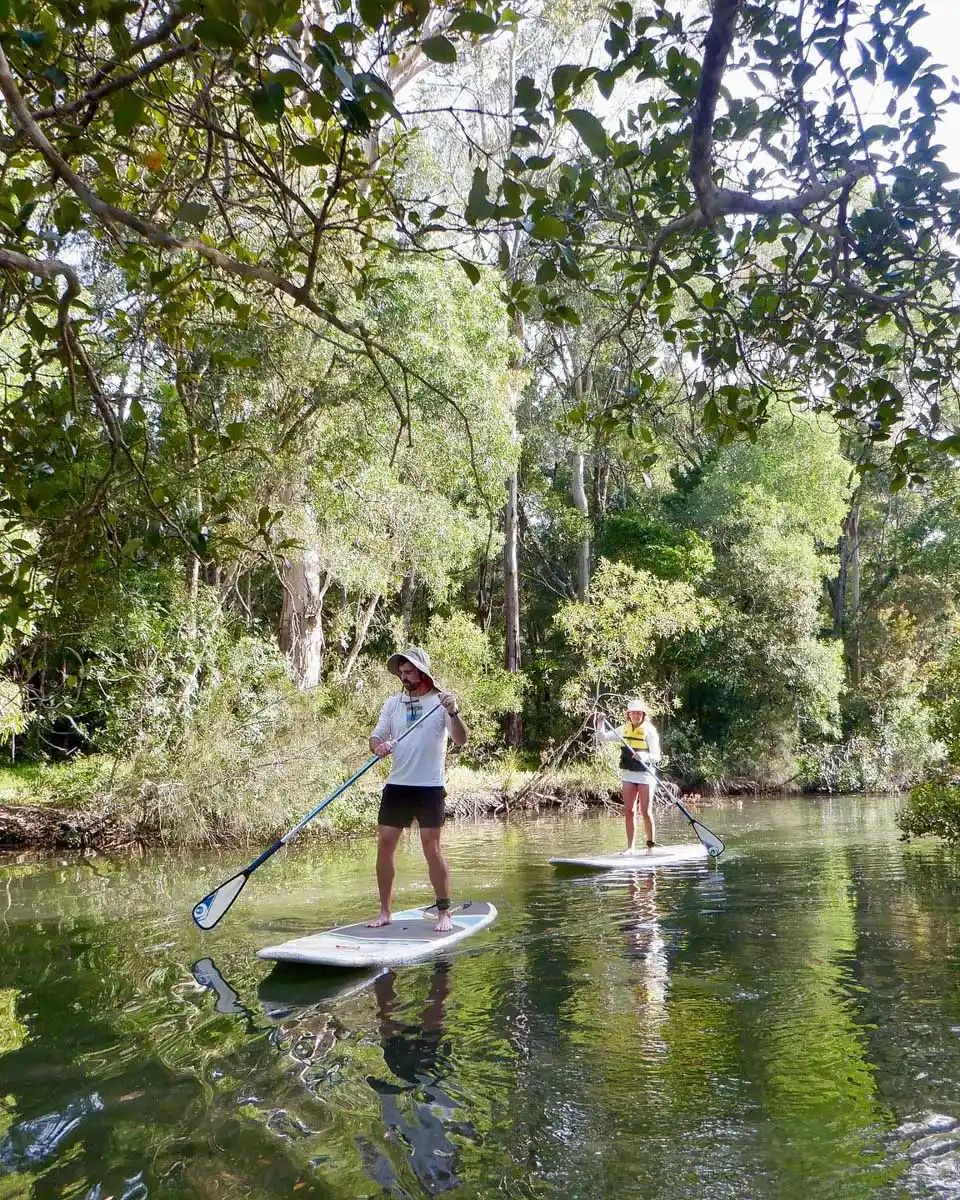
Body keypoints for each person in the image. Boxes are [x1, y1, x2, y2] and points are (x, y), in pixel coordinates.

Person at [369, 648, 468, 932]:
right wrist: (379, 747)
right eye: (401, 672)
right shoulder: (392, 704)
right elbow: (376, 736)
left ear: (422, 672)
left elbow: (461, 740)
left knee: (431, 848)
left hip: (429, 787)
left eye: (409, 672)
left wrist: (454, 712)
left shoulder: (441, 702)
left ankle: (444, 912)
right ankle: (385, 911)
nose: (404, 677)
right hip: (398, 785)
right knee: (385, 845)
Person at [595, 697, 661, 853]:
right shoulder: (623, 729)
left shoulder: (649, 730)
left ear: (643, 715)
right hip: (628, 774)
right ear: (628, 714)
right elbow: (602, 737)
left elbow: (657, 756)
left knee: (645, 811)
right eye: (633, 713)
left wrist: (644, 756)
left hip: (646, 775)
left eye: (639, 713)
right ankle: (630, 847)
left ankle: (650, 846)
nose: (636, 716)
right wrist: (600, 722)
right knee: (629, 811)